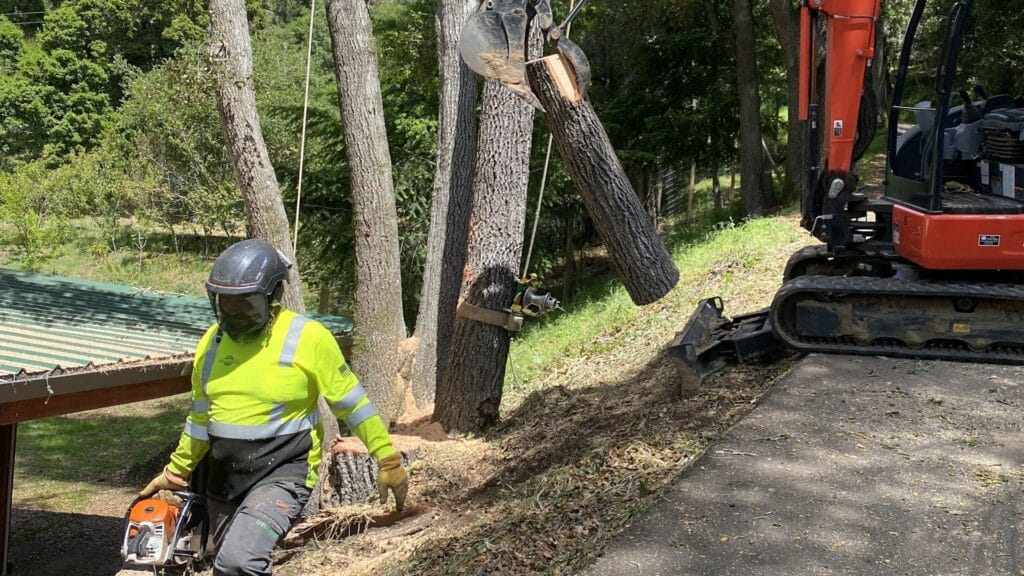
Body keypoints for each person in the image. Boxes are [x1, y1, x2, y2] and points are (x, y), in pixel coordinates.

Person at [139, 238, 408, 576]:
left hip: (283, 472)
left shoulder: (308, 338)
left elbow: (353, 405)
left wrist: (388, 458)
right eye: (227, 303)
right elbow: (200, 419)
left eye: (246, 304)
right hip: (225, 480)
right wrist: (175, 472)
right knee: (219, 561)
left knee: (239, 562)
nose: (235, 313)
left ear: (273, 298)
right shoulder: (211, 343)